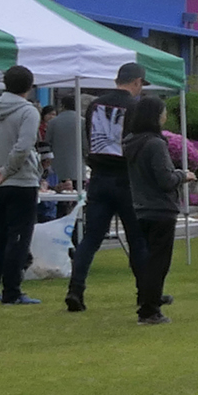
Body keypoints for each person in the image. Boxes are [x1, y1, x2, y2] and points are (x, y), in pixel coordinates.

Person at [65, 62, 146, 308]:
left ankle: (76, 289)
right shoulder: (136, 106)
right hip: (126, 177)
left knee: (90, 239)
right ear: (137, 82)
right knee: (137, 238)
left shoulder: (94, 105)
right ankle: (146, 292)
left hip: (99, 176)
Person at [0, 65, 43, 307]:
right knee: (19, 238)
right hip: (21, 180)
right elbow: (23, 147)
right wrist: (6, 170)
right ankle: (12, 290)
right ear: (30, 86)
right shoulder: (28, 112)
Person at [123, 93, 183, 324]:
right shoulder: (155, 144)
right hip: (161, 208)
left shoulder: (130, 142)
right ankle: (149, 309)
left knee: (149, 260)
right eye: (163, 112)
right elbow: (165, 179)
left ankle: (150, 300)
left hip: (141, 207)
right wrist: (181, 175)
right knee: (158, 262)